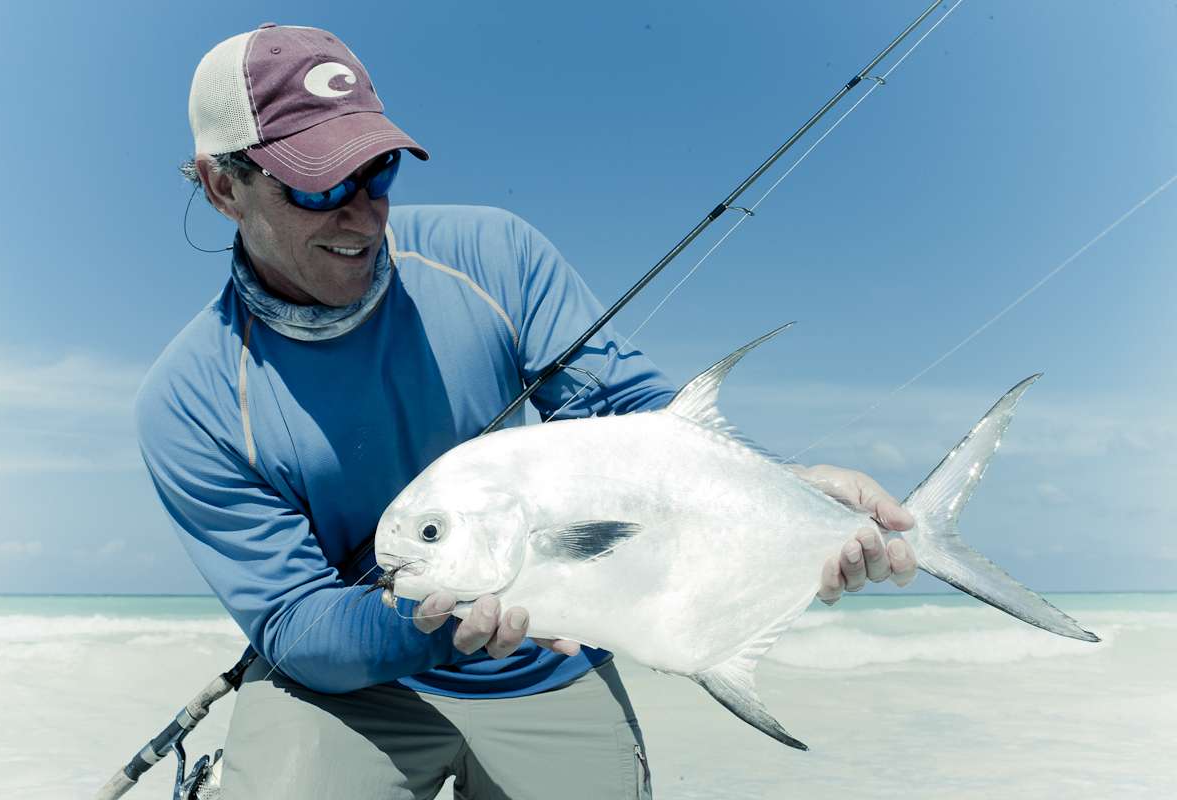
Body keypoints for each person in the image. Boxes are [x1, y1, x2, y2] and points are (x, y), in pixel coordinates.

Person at [137, 23, 918, 800]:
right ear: (221, 187)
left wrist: (793, 487)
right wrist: (426, 624)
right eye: (319, 185)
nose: (364, 214)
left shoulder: (494, 255)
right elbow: (295, 623)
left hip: (549, 658)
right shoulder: (190, 401)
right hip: (348, 685)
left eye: (376, 173)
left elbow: (638, 424)